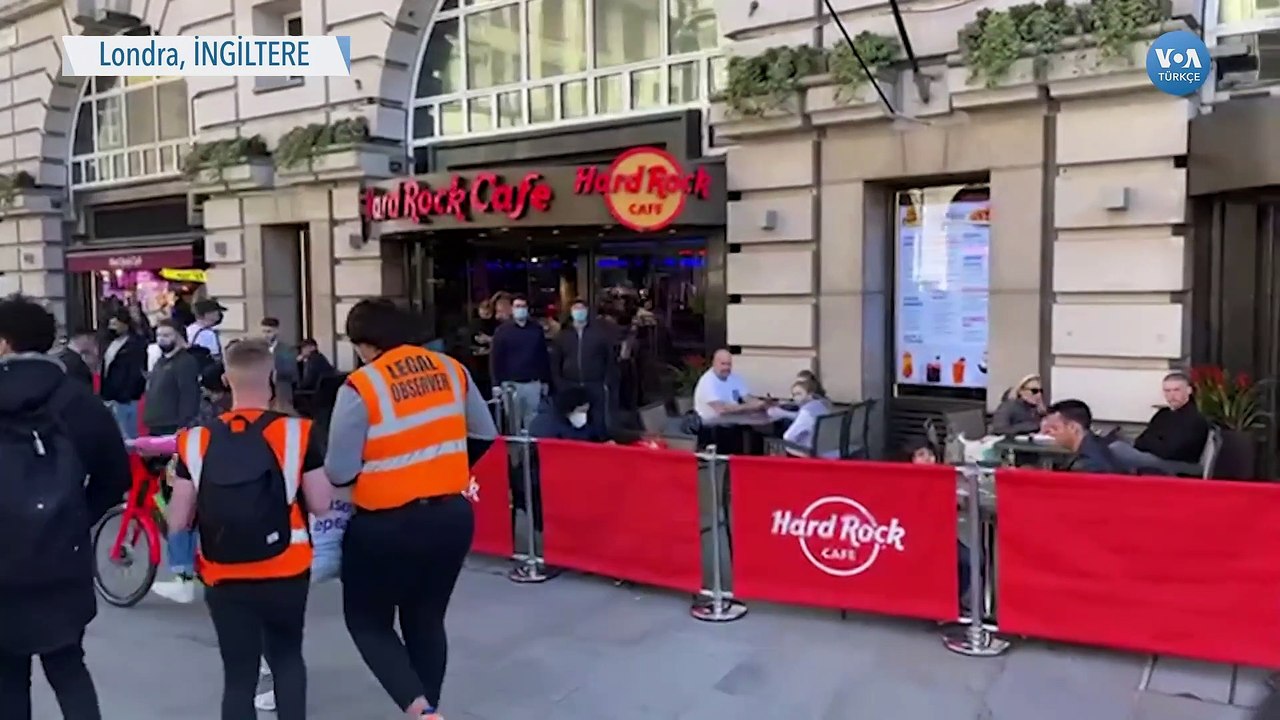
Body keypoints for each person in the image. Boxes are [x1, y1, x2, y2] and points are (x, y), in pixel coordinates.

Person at [325, 299, 498, 719]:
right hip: (451, 518)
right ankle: (430, 709)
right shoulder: (451, 370)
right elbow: (485, 433)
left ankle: (419, 709)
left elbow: (339, 470)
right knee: (426, 619)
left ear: (366, 344)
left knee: (367, 622)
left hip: (385, 524)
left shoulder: (361, 386)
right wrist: (443, 467)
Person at [164, 338, 333, 720]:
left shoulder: (195, 440)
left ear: (226, 379)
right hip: (286, 568)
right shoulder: (298, 433)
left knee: (238, 675)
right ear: (272, 378)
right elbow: (322, 504)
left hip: (222, 573)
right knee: (287, 658)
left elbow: (177, 519)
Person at [0, 295, 131, 719]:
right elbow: (115, 476)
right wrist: (74, 517)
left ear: (4, 344)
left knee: (6, 676)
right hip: (61, 556)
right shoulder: (76, 399)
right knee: (68, 666)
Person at [1108, 371, 1209, 474]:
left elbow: (1171, 451)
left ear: (1189, 390)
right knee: (1111, 444)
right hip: (1156, 457)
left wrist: (1152, 442)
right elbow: (1141, 440)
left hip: (1179, 465)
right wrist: (1156, 442)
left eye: (1176, 390)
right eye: (1167, 391)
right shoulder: (1163, 414)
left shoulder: (1194, 418)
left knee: (1116, 449)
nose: (1171, 395)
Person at [550, 298, 619, 436]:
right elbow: (555, 362)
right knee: (572, 426)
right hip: (571, 385)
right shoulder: (563, 335)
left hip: (595, 384)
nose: (579, 312)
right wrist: (560, 384)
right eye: (576, 309)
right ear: (571, 312)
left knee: (598, 423)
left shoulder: (600, 334)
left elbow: (610, 360)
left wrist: (606, 382)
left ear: (587, 311)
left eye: (582, 309)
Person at [491, 295, 551, 432]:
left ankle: (532, 452)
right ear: (512, 309)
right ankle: (516, 453)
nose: (520, 309)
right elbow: (496, 358)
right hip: (511, 386)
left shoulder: (536, 329)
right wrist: (496, 384)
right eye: (517, 306)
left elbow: (543, 356)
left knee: (534, 423)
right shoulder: (502, 331)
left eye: (523, 306)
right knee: (514, 424)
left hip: (533, 384)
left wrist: (545, 381)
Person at [142, 319, 202, 436]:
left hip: (172, 425)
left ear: (179, 336)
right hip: (155, 423)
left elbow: (189, 394)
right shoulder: (160, 361)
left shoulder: (185, 361)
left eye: (167, 335)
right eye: (158, 335)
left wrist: (183, 424)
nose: (161, 339)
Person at [1041, 399, 1128, 473]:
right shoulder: (1099, 446)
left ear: (1073, 427)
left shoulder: (1088, 465)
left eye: (1054, 428)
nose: (1047, 433)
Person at [99, 309, 148, 439]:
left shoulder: (134, 344)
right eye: (111, 325)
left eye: (115, 324)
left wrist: (127, 394)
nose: (112, 328)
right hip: (111, 397)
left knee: (127, 435)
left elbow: (134, 371)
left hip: (125, 398)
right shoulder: (110, 344)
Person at [769, 377, 834, 457]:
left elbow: (788, 437)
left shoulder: (806, 411)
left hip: (809, 451)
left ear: (809, 395)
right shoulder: (823, 405)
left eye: (799, 394)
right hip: (826, 448)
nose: (795, 398)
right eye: (794, 395)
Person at [261, 317, 299, 408]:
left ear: (277, 331)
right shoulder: (259, 349)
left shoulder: (287, 349)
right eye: (264, 331)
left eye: (269, 332)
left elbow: (292, 372)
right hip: (263, 395)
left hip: (281, 393)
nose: (266, 335)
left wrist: (273, 371)